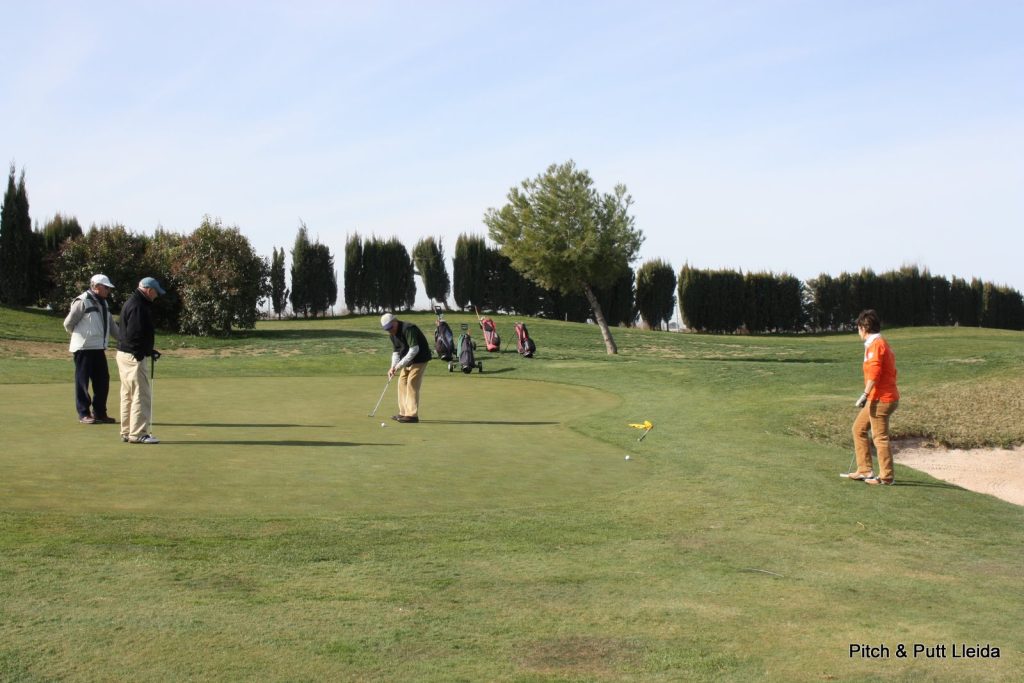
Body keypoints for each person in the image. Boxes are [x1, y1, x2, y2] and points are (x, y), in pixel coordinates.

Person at [849, 309, 900, 485]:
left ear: (864, 327)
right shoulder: (877, 343)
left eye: (858, 328)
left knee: (880, 437)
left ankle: (886, 477)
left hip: (882, 398)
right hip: (878, 396)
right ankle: (865, 470)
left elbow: (875, 372)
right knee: (858, 429)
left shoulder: (876, 345)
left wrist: (865, 394)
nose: (858, 332)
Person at [63, 274, 119, 424]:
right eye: (106, 287)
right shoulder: (82, 301)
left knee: (102, 381)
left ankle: (99, 413)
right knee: (82, 382)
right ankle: (84, 413)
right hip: (83, 348)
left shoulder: (104, 303)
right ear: (96, 286)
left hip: (99, 348)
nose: (108, 290)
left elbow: (112, 326)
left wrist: (124, 340)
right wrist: (80, 336)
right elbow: (68, 323)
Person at [116, 277, 165, 444]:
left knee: (128, 394)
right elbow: (134, 334)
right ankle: (138, 434)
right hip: (133, 357)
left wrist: (149, 351)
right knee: (140, 394)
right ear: (149, 290)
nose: (156, 296)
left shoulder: (133, 302)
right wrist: (140, 354)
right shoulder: (138, 306)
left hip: (124, 355)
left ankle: (127, 431)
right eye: (156, 292)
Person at [381, 312, 431, 423]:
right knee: (401, 382)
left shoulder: (408, 329)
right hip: (408, 360)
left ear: (395, 321)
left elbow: (414, 349)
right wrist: (393, 367)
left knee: (412, 382)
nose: (390, 330)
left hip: (420, 358)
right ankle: (403, 413)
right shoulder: (392, 334)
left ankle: (412, 415)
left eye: (390, 327)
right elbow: (396, 352)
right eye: (387, 329)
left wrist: (398, 365)